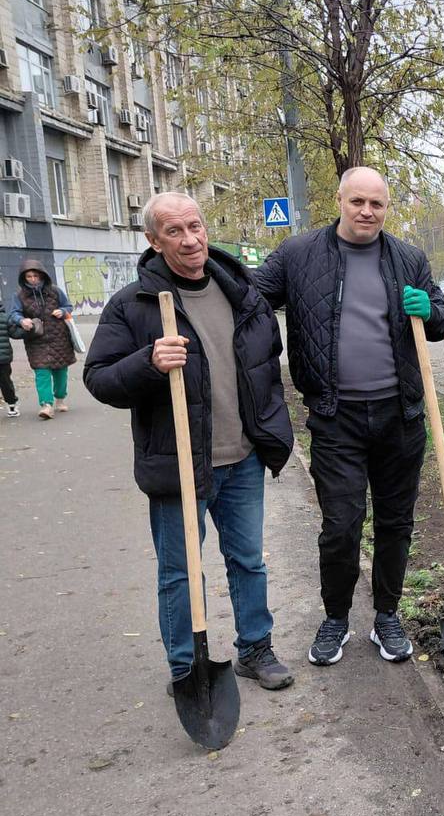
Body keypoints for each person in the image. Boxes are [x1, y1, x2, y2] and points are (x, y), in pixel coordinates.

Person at [84, 192, 296, 691]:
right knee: (180, 571)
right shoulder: (134, 304)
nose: (189, 240)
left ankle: (255, 649)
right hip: (178, 463)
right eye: (174, 231)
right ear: (153, 241)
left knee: (248, 561)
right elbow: (99, 378)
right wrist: (148, 363)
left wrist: (269, 424)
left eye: (194, 226)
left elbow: (266, 361)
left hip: (242, 457)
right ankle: (186, 666)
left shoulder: (241, 292)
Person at [254, 166, 444, 666]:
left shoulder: (409, 258)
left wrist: (430, 310)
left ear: (386, 208)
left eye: (376, 204)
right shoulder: (298, 254)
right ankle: (336, 618)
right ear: (339, 200)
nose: (367, 211)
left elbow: (443, 320)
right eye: (357, 201)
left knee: (396, 522)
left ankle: (387, 615)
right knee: (341, 525)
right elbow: (248, 299)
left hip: (400, 416)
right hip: (335, 416)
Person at [7, 259, 75, 419]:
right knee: (41, 372)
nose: (32, 279)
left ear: (42, 275)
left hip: (59, 338)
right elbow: (13, 313)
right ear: (23, 278)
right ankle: (46, 405)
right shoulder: (19, 295)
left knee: (61, 372)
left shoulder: (55, 291)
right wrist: (21, 320)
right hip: (35, 340)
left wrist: (62, 311)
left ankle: (60, 399)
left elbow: (68, 306)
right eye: (29, 276)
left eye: (35, 276)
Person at [0, 313, 17, 416]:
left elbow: (14, 333)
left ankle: (12, 405)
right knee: (5, 381)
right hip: (4, 355)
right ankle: (12, 405)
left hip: (3, 356)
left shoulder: (4, 317)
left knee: (5, 382)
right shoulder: (4, 316)